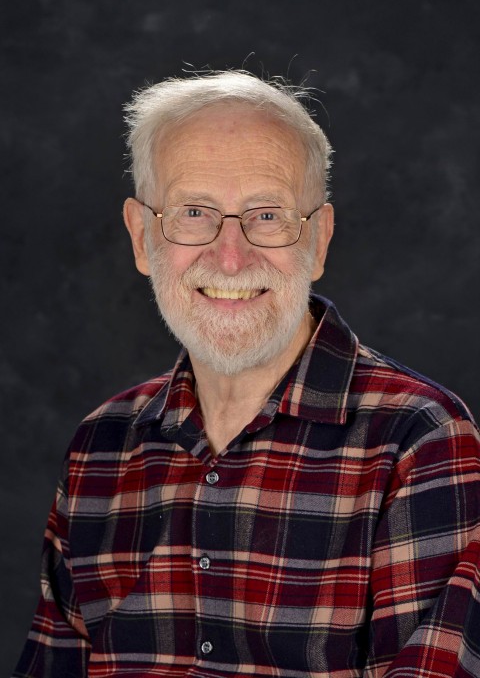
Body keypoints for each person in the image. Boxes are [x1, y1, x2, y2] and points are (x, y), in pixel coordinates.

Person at [13, 70, 480, 678]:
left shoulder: (420, 441)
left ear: (318, 240)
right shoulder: (101, 446)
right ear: (141, 237)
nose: (230, 257)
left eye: (266, 214)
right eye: (193, 211)